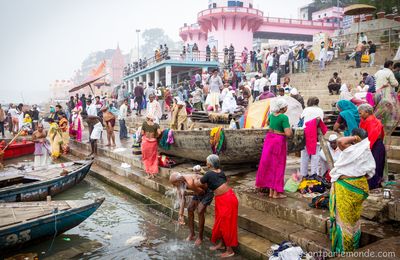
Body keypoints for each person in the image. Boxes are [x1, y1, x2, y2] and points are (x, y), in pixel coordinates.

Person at [329, 128, 375, 253]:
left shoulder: (352, 150)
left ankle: (344, 250)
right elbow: (369, 173)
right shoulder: (366, 152)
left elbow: (340, 141)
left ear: (355, 138)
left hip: (346, 188)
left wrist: (355, 138)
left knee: (344, 221)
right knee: (354, 219)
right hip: (360, 187)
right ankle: (353, 246)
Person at [194, 154, 238, 258]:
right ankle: (221, 244)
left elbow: (197, 184)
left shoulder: (209, 174)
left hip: (227, 200)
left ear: (209, 164)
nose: (205, 163)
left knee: (226, 225)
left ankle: (230, 250)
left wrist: (195, 177)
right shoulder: (220, 172)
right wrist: (203, 175)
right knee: (220, 223)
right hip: (224, 198)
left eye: (206, 162)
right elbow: (213, 178)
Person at [256, 98, 292, 198]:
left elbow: (271, 129)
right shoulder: (284, 117)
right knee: (278, 166)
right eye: (286, 107)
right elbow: (288, 133)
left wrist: (277, 132)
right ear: (283, 108)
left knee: (270, 165)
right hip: (279, 142)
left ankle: (271, 192)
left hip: (270, 141)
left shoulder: (271, 115)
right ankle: (276, 193)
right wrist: (285, 131)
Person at [169, 171, 213, 246]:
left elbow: (201, 193)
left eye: (174, 184)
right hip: (198, 190)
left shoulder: (190, 183)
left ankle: (200, 237)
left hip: (208, 190)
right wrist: (181, 215)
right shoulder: (180, 184)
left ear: (179, 181)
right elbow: (182, 199)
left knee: (200, 211)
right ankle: (192, 234)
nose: (174, 186)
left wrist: (188, 193)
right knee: (190, 209)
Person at [358, 104, 385, 189]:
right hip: (371, 144)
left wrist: (366, 148)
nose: (359, 115)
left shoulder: (372, 121)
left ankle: (374, 184)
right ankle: (373, 183)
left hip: (375, 145)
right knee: (373, 164)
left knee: (375, 165)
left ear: (367, 112)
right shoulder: (365, 120)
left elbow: (372, 136)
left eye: (360, 113)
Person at [300, 97, 324, 177]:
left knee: (304, 155)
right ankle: (315, 173)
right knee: (315, 155)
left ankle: (304, 174)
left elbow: (301, 120)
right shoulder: (320, 110)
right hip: (316, 134)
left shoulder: (306, 110)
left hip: (305, 133)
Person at [141, 114, 161, 178]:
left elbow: (142, 133)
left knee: (146, 158)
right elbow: (159, 132)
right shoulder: (156, 125)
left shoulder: (144, 124)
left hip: (146, 142)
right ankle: (153, 173)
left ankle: (148, 173)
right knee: (153, 158)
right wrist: (156, 136)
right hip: (153, 142)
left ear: (148, 118)